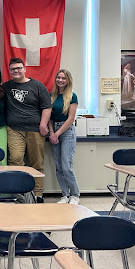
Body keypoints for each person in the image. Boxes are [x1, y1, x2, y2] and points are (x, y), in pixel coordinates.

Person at [2, 57, 51, 202]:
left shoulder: (37, 86)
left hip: (35, 130)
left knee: (37, 163)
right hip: (14, 130)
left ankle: (38, 194)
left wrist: (43, 125)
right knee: (15, 160)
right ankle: (20, 192)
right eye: (13, 69)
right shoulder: (6, 86)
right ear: (10, 71)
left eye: (18, 68)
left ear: (24, 69)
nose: (16, 71)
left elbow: (47, 107)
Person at [48, 69, 80, 205]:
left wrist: (57, 133)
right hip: (53, 130)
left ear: (68, 81)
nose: (60, 80)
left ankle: (75, 194)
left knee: (67, 165)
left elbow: (70, 119)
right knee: (59, 167)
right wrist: (51, 132)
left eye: (63, 78)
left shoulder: (72, 96)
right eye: (58, 77)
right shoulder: (51, 96)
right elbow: (48, 117)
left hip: (66, 132)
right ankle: (65, 194)